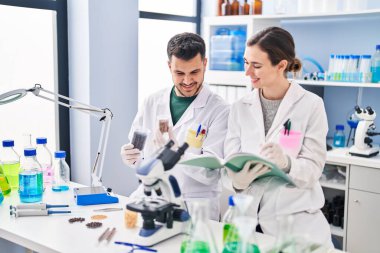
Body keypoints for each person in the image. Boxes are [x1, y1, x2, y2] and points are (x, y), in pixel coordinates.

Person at [224, 27, 333, 247]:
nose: (248, 72)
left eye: (256, 66)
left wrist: (287, 163)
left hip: (294, 224)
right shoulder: (239, 107)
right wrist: (236, 181)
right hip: (246, 221)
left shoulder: (311, 105)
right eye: (246, 62)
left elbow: (313, 169)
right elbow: (229, 161)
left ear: (281, 65)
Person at [121, 32, 229, 221]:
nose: (187, 81)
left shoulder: (219, 109)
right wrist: (129, 156)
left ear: (205, 64)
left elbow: (212, 172)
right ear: (169, 66)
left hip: (195, 206)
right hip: (153, 197)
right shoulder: (152, 102)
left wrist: (177, 152)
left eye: (194, 72)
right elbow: (140, 154)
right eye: (179, 73)